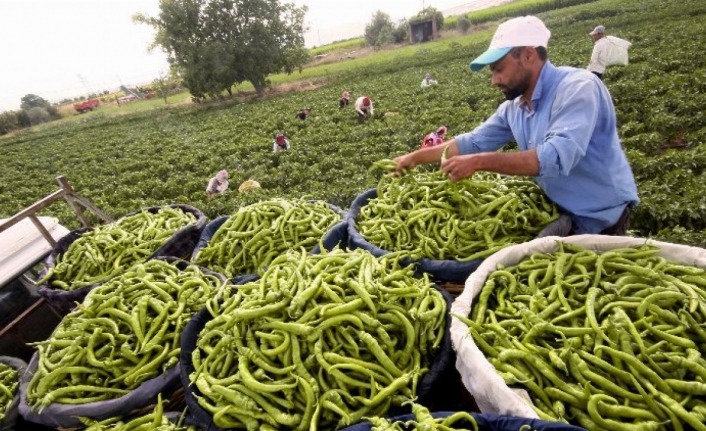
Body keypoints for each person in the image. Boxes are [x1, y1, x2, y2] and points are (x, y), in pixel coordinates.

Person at [394, 15, 639, 236]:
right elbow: (473, 142)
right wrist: (414, 158)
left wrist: (479, 162)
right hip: (560, 209)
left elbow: (553, 158)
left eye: (499, 69)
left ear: (528, 55)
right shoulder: (515, 108)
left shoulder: (578, 88)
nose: (494, 80)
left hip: (602, 219)